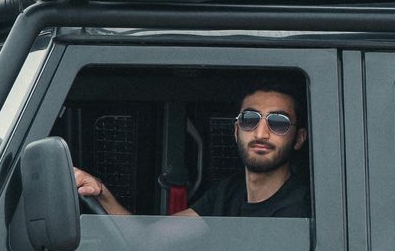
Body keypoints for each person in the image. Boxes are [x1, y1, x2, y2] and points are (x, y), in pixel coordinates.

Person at [74, 86, 310, 219]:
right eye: (250, 120)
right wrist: (101, 192)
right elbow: (148, 240)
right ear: (237, 131)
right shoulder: (228, 193)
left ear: (299, 139)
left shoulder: (302, 208)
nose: (260, 134)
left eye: (278, 123)